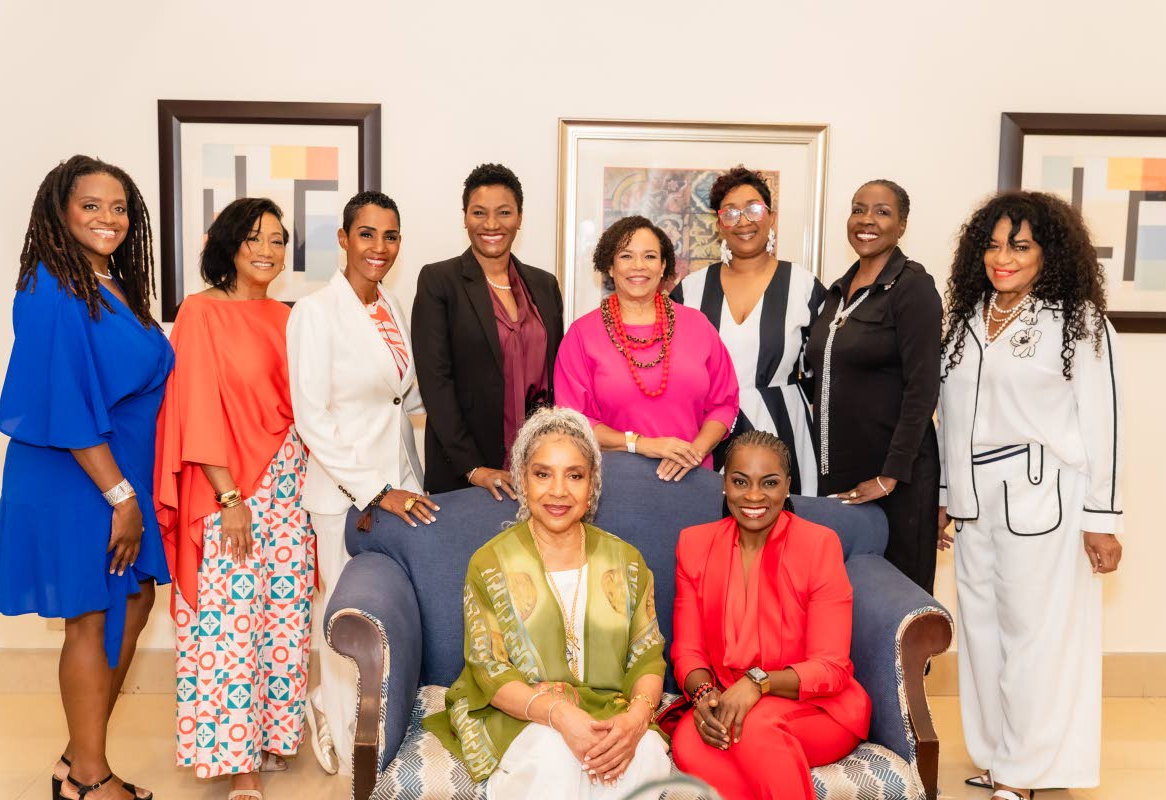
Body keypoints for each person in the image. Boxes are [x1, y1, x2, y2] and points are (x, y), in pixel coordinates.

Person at [0, 155, 170, 800]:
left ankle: (77, 755)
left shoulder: (112, 284)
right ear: (60, 210)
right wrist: (120, 495)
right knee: (92, 614)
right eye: (91, 205)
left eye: (119, 207)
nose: (108, 218)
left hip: (118, 474)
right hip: (78, 476)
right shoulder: (49, 286)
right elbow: (63, 401)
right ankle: (88, 780)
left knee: (134, 598)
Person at [936, 191, 1123, 800]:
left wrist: (1102, 515)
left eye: (1019, 245)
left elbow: (1104, 425)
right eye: (991, 245)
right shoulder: (966, 320)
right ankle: (996, 757)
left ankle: (1030, 767)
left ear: (1050, 251)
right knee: (983, 630)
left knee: (1035, 636)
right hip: (974, 501)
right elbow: (952, 417)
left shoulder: (1079, 323)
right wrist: (945, 494)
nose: (1002, 258)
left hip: (1046, 497)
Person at [422, 407, 671, 798]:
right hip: (520, 713)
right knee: (555, 758)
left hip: (611, 710)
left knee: (647, 757)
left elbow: (647, 655)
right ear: (522, 480)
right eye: (543, 474)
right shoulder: (491, 564)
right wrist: (559, 716)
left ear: (592, 488)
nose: (558, 490)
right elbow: (490, 671)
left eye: (575, 475)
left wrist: (637, 719)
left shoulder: (627, 562)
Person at [155, 198, 314, 800]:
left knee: (284, 617)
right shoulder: (200, 312)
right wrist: (229, 497)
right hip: (230, 489)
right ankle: (235, 761)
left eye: (278, 239)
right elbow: (196, 406)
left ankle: (273, 737)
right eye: (254, 238)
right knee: (230, 625)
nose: (267, 250)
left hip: (290, 484)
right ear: (228, 244)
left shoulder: (290, 316)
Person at [286, 190, 436, 775]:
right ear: (343, 239)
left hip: (402, 480)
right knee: (343, 609)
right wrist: (374, 490)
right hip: (345, 492)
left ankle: (382, 719)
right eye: (367, 234)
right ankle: (331, 714)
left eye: (391, 236)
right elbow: (311, 416)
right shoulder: (315, 313)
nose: (380, 247)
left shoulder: (392, 306)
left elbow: (406, 394)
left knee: (388, 608)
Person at [669, 431, 870, 800]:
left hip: (818, 708)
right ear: (724, 484)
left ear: (788, 486)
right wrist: (704, 695)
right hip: (732, 702)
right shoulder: (694, 545)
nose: (754, 496)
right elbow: (688, 652)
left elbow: (831, 667)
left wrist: (757, 683)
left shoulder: (818, 545)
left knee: (756, 727)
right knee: (689, 741)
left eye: (770, 483)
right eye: (740, 481)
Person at [804, 180, 942, 592]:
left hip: (894, 480)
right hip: (838, 477)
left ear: (902, 226)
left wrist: (889, 476)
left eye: (882, 212)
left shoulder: (913, 287)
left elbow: (923, 388)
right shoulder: (836, 293)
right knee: (844, 601)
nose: (867, 220)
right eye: (858, 209)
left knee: (899, 604)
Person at [671, 166, 826, 494]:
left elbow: (822, 374)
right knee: (712, 526)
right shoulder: (689, 292)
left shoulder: (804, 287)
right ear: (719, 224)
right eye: (731, 212)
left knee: (787, 530)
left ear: (771, 216)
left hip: (786, 429)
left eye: (754, 209)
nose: (743, 221)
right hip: (708, 436)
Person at [412, 163, 563, 499]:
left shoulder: (544, 285)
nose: (491, 224)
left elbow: (556, 379)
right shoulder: (439, 281)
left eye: (504, 212)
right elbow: (435, 382)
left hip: (536, 469)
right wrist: (473, 468)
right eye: (479, 212)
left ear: (520, 217)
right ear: (465, 217)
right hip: (465, 475)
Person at [555, 216, 740, 482]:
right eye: (626, 256)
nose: (638, 266)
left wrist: (694, 454)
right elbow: (574, 422)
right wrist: (641, 444)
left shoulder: (697, 325)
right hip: (614, 484)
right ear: (609, 265)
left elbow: (725, 403)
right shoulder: (582, 335)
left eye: (650, 256)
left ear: (664, 266)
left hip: (693, 478)